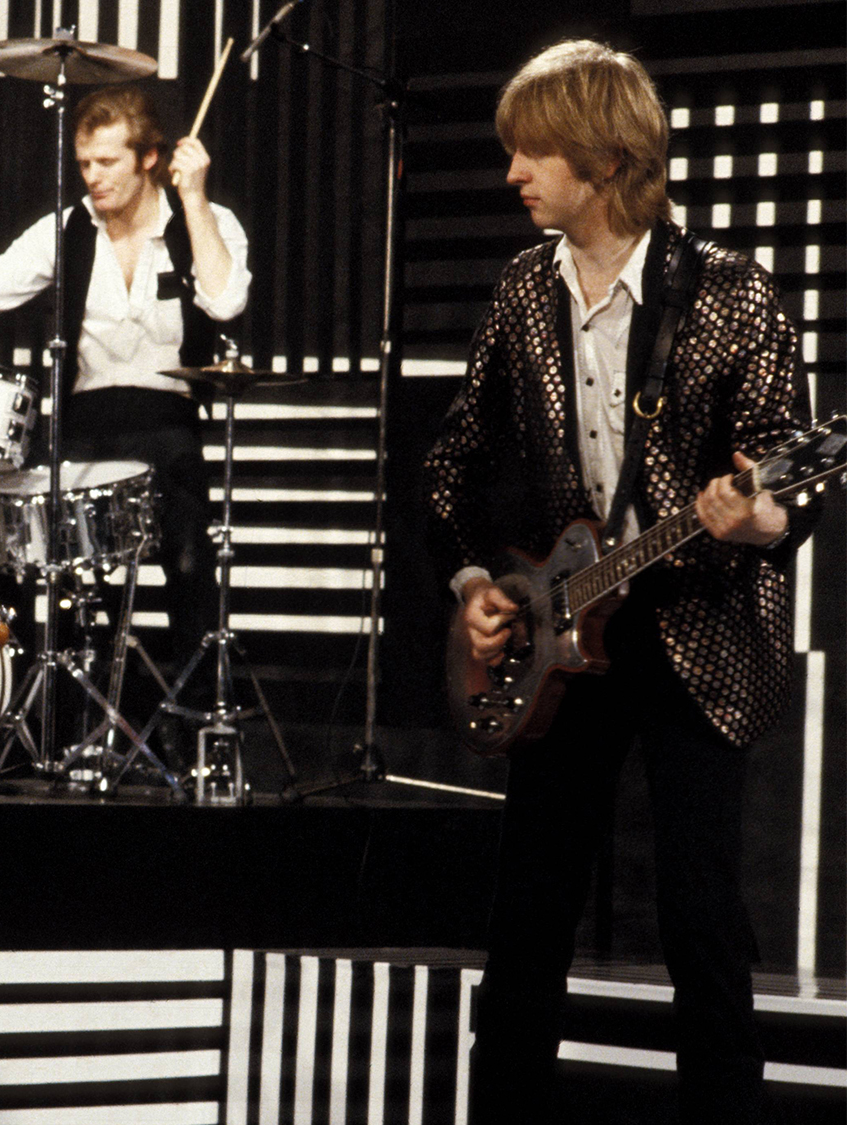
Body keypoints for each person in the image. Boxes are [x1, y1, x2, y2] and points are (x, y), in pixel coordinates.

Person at [423, 41, 817, 1123]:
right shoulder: (522, 288)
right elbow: (452, 460)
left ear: (601, 158)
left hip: (698, 627)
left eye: (532, 151)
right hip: (560, 634)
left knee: (699, 916)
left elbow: (787, 492)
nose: (511, 172)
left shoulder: (731, 292)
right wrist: (477, 582)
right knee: (527, 914)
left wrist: (755, 514)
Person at [0, 82, 250, 668]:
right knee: (18, 544)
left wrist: (193, 198)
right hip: (83, 423)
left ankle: (194, 704)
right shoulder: (65, 229)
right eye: (85, 163)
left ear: (149, 157)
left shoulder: (208, 221)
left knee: (191, 557)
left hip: (167, 421)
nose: (93, 176)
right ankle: (28, 689)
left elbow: (226, 300)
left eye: (107, 162)